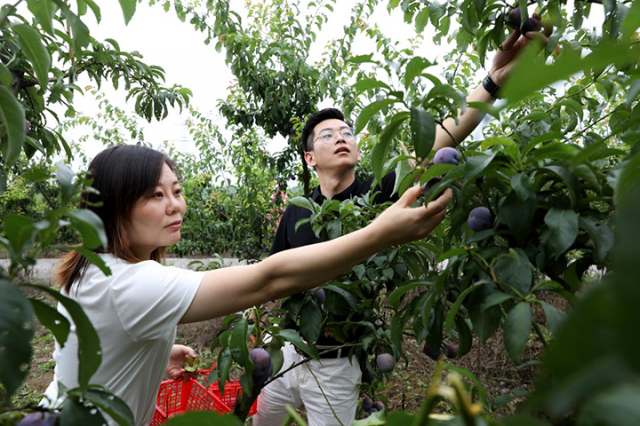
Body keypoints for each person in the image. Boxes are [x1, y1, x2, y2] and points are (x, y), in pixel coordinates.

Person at [254, 24, 553, 426]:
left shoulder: (376, 193)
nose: (342, 137)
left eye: (347, 132)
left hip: (337, 364)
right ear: (310, 159)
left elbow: (443, 136)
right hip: (287, 350)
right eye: (327, 135)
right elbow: (271, 277)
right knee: (264, 420)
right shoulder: (298, 209)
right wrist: (262, 330)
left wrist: (492, 81)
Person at [40, 144, 452, 426]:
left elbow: (89, 349)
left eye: (177, 191)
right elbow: (269, 278)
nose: (175, 205)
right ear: (112, 207)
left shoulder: (93, 269)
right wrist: (380, 234)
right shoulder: (129, 283)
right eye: (154, 195)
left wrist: (152, 351)